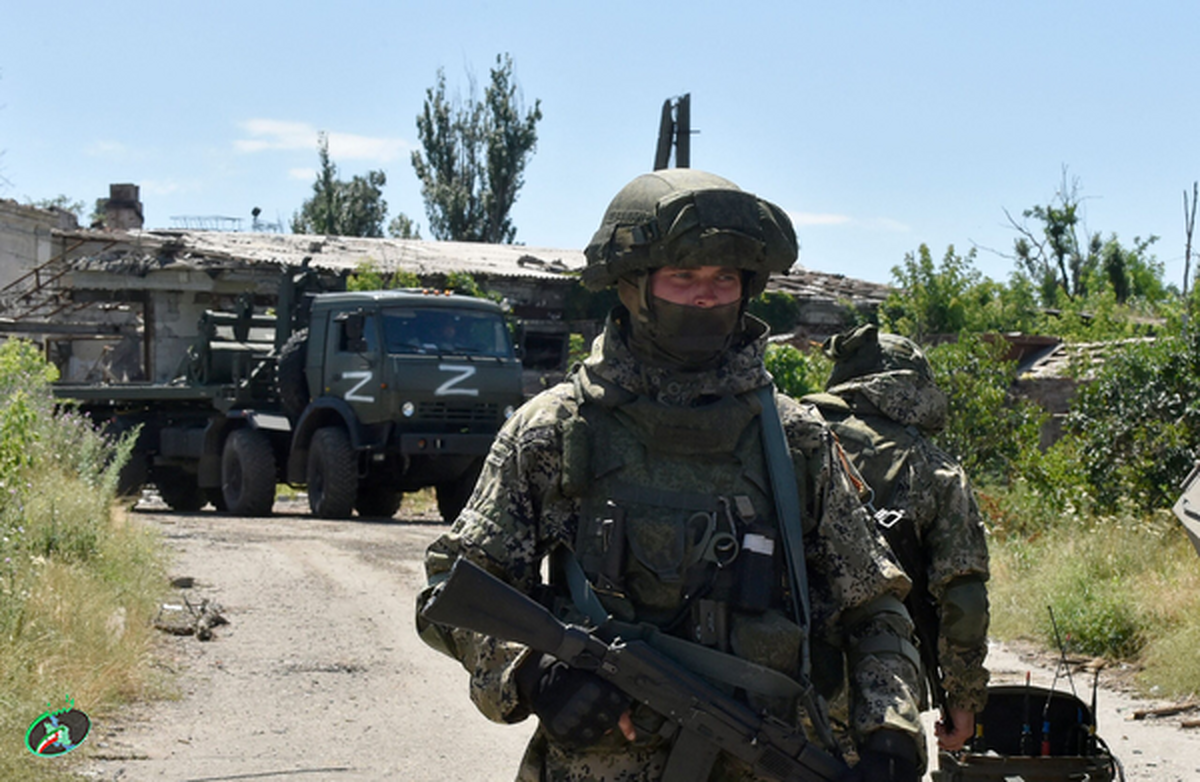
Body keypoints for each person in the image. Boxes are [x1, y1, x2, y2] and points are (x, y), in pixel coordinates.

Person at [416, 169, 925, 781]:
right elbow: (451, 589)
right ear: (632, 285)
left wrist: (890, 728)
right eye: (684, 277)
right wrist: (530, 670)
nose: (707, 296)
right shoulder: (553, 430)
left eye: (724, 278)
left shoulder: (795, 439)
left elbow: (875, 609)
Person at [803, 324, 990, 753]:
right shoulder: (933, 468)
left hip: (763, 681)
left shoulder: (785, 435)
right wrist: (962, 701)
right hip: (880, 692)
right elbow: (964, 601)